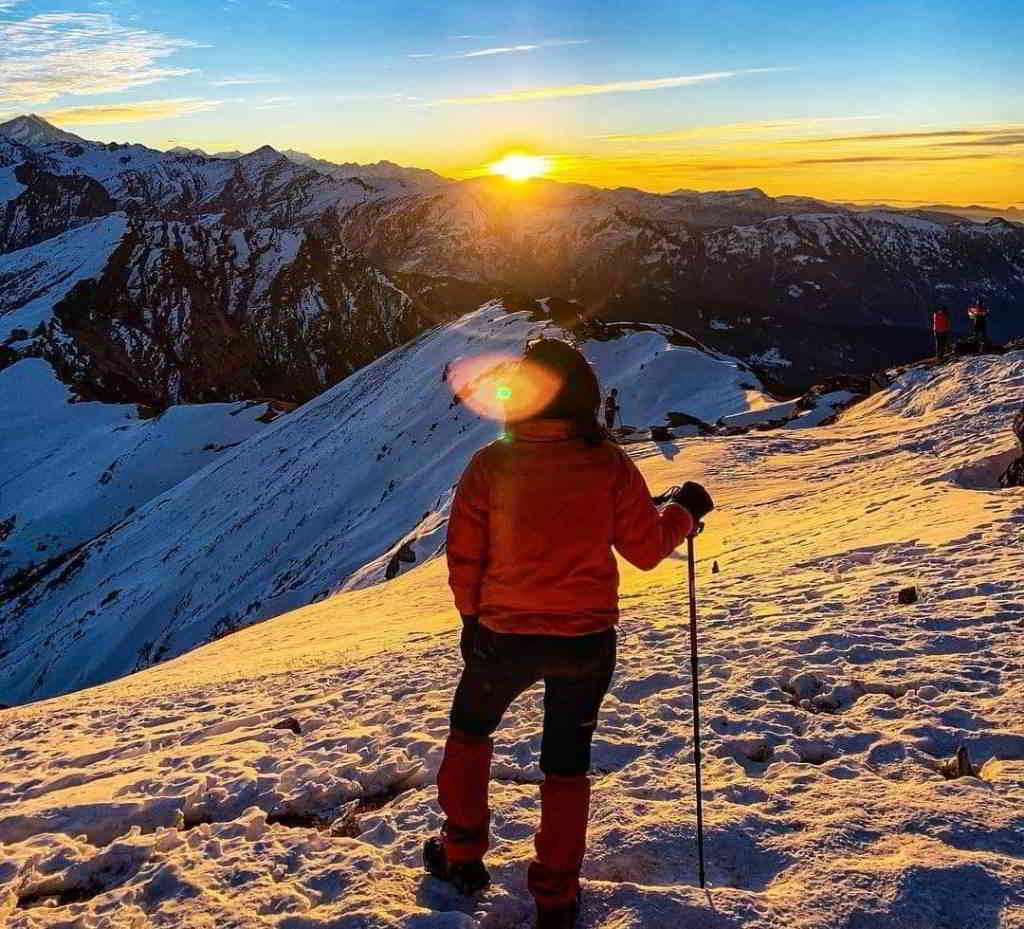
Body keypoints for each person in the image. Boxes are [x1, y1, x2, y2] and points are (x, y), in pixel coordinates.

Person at [423, 339, 714, 929]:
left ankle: (462, 856)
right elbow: (645, 550)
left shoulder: (490, 465)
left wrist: (472, 621)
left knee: (470, 735)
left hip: (502, 634)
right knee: (565, 763)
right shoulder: (607, 465)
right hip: (585, 640)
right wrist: (684, 510)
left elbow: (464, 558)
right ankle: (555, 897)